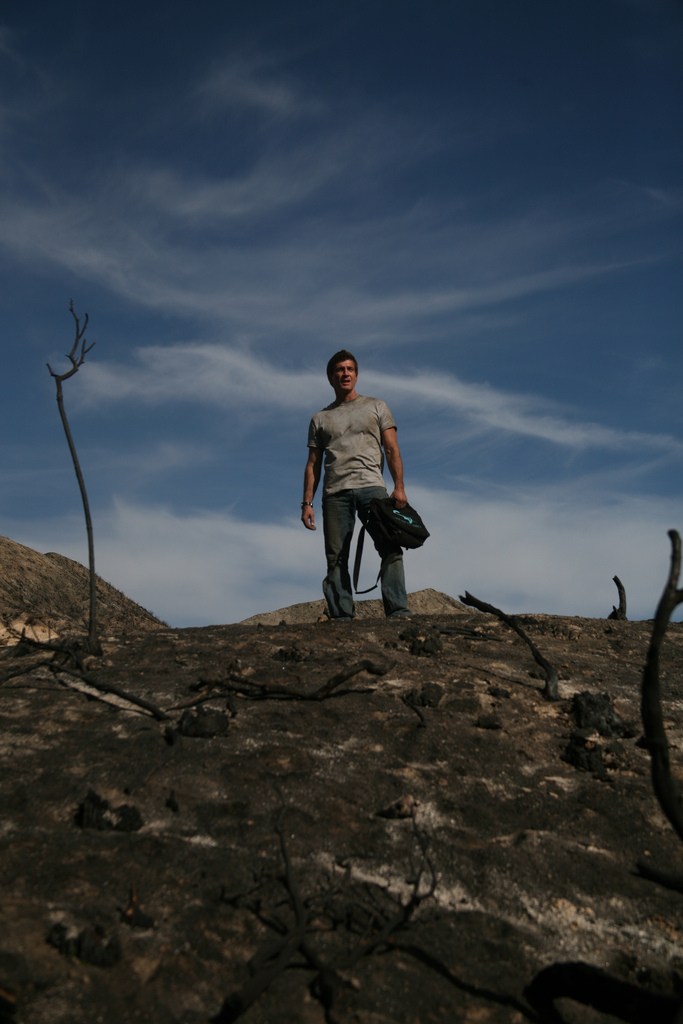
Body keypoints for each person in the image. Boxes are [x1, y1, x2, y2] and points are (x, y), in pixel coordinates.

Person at [301, 350, 412, 620]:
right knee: (336, 557)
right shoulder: (320, 418)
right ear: (331, 377)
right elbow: (313, 464)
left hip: (372, 487)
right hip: (335, 493)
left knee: (390, 546)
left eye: (350, 369)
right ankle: (341, 617)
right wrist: (307, 503)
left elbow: (392, 448)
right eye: (339, 369)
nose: (345, 373)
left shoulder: (377, 406)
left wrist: (399, 487)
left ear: (357, 374)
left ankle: (398, 611)